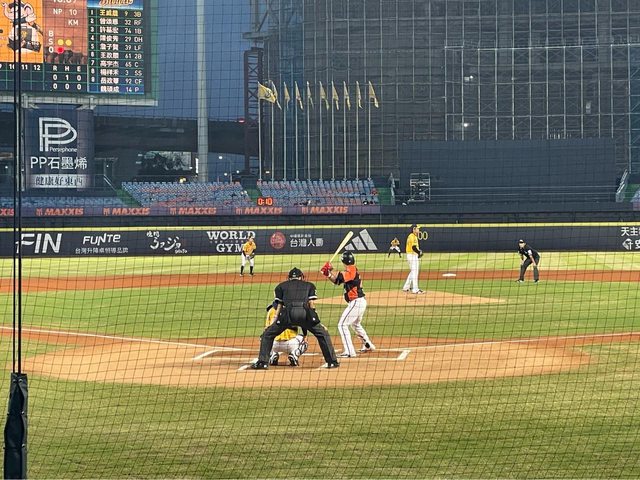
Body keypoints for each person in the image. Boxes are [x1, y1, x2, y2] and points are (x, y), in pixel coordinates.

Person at [251, 268, 339, 369]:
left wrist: (273, 323)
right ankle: (332, 362)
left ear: (289, 278)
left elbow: (279, 306)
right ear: (301, 277)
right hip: (304, 314)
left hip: (287, 315)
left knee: (267, 335)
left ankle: (263, 363)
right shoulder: (309, 285)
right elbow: (311, 305)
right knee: (322, 333)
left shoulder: (281, 286)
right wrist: (317, 322)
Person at [321, 251, 375, 358]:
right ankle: (368, 344)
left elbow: (341, 277)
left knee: (342, 325)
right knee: (355, 324)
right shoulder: (350, 270)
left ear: (343, 261)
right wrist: (328, 274)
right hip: (359, 302)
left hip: (356, 302)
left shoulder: (352, 269)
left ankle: (350, 351)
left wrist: (330, 269)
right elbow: (337, 281)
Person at [264, 302, 308, 367]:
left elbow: (266, 329)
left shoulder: (271, 310)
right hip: (291, 344)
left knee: (263, 337)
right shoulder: (294, 310)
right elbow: (303, 323)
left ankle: (272, 354)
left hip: (273, 344)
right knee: (304, 340)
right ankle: (295, 354)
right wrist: (305, 335)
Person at [402, 224, 425, 294]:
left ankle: (406, 287)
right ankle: (415, 289)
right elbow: (413, 247)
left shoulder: (411, 236)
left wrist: (418, 252)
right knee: (415, 272)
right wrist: (419, 252)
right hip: (412, 255)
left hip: (411, 255)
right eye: (417, 229)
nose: (418, 230)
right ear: (414, 229)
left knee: (413, 271)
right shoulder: (412, 237)